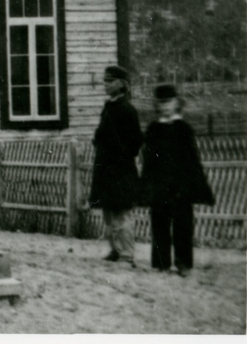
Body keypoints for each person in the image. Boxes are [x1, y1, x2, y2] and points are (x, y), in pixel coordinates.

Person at [141, 84, 214, 277]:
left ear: (177, 103)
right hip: (159, 186)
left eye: (168, 102)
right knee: (159, 224)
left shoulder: (184, 129)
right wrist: (147, 186)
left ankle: (184, 264)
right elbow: (148, 160)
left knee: (183, 226)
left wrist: (195, 186)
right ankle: (161, 263)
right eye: (161, 103)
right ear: (156, 105)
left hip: (181, 187)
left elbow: (193, 160)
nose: (164, 106)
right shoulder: (153, 129)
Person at [88, 65, 143, 266]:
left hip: (121, 171)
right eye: (105, 81)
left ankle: (127, 254)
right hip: (106, 169)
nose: (105, 85)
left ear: (121, 84)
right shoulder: (109, 107)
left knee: (122, 214)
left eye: (110, 81)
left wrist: (118, 155)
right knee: (109, 214)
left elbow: (135, 142)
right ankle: (115, 250)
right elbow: (101, 134)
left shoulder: (127, 110)